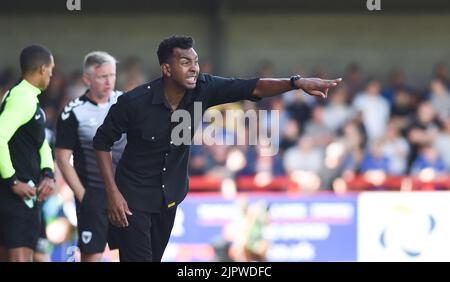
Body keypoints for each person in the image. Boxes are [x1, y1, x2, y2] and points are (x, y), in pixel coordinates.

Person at [93, 35, 342, 262]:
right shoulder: (134, 102)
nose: (194, 67)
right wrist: (112, 193)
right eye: (185, 62)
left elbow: (253, 87)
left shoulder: (204, 88)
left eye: (196, 61)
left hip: (169, 199)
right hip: (131, 199)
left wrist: (295, 83)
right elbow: (101, 142)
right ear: (166, 69)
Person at [55, 51, 125, 262]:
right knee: (91, 255)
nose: (108, 81)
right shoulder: (73, 112)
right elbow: (62, 159)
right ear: (87, 79)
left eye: (112, 75)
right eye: (102, 76)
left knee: (127, 253)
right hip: (93, 193)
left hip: (124, 192)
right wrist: (83, 196)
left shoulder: (125, 102)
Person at [0, 44, 56, 262]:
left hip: (22, 195)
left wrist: (48, 173)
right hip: (17, 197)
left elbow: (40, 143)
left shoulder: (27, 97)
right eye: (50, 70)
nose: (51, 75)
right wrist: (13, 181)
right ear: (42, 69)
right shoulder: (21, 97)